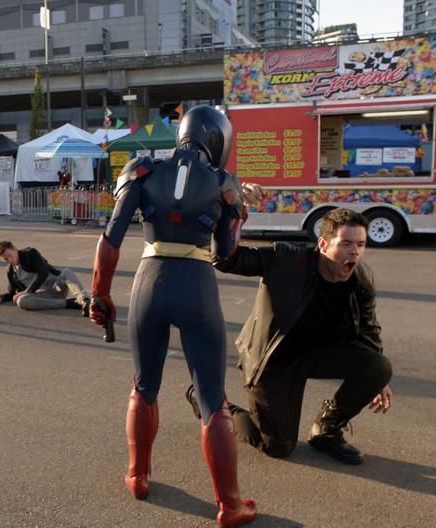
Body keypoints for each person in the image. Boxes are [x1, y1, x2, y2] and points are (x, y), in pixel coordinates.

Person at [89, 105, 256, 527]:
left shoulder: (142, 170)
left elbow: (110, 239)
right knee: (212, 399)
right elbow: (225, 254)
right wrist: (237, 221)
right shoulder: (223, 183)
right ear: (219, 140)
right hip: (196, 283)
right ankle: (229, 505)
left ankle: (137, 475)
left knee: (144, 386)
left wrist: (99, 295)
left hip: (150, 279)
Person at [187, 207, 393, 466]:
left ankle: (326, 430)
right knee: (278, 446)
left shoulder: (361, 277)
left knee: (379, 367)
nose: (355, 252)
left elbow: (369, 328)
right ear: (322, 244)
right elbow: (227, 260)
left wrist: (378, 379)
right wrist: (229, 212)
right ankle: (213, 406)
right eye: (346, 243)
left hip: (317, 353)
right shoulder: (286, 260)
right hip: (274, 359)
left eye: (361, 244)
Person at [0, 240, 90, 315]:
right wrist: (1, 297)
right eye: (5, 259)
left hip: (57, 286)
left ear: (15, 249)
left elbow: (43, 272)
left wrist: (28, 290)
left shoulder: (30, 253)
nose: (9, 260)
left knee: (67, 272)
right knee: (22, 301)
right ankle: (71, 303)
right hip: (44, 296)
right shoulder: (10, 271)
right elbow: (12, 293)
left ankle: (85, 301)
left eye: (10, 255)